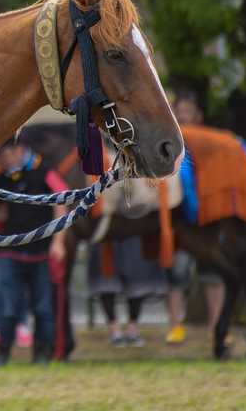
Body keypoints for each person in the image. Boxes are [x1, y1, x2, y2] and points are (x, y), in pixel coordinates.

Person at [0, 136, 67, 366]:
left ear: (19, 150)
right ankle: (2, 354)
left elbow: (63, 198)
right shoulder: (1, 178)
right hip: (11, 253)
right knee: (8, 307)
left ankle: (43, 354)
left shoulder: (44, 171)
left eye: (4, 154)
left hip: (41, 252)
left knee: (42, 307)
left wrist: (58, 242)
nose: (1, 160)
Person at [163, 93, 226, 344]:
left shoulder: (209, 144)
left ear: (198, 115)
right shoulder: (168, 143)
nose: (182, 115)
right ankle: (175, 326)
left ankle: (217, 326)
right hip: (180, 222)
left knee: (214, 273)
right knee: (176, 274)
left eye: (187, 110)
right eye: (179, 110)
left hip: (207, 218)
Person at [88, 235, 166, 347]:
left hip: (133, 234)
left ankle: (132, 330)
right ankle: (115, 331)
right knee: (106, 283)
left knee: (138, 281)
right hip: (107, 235)